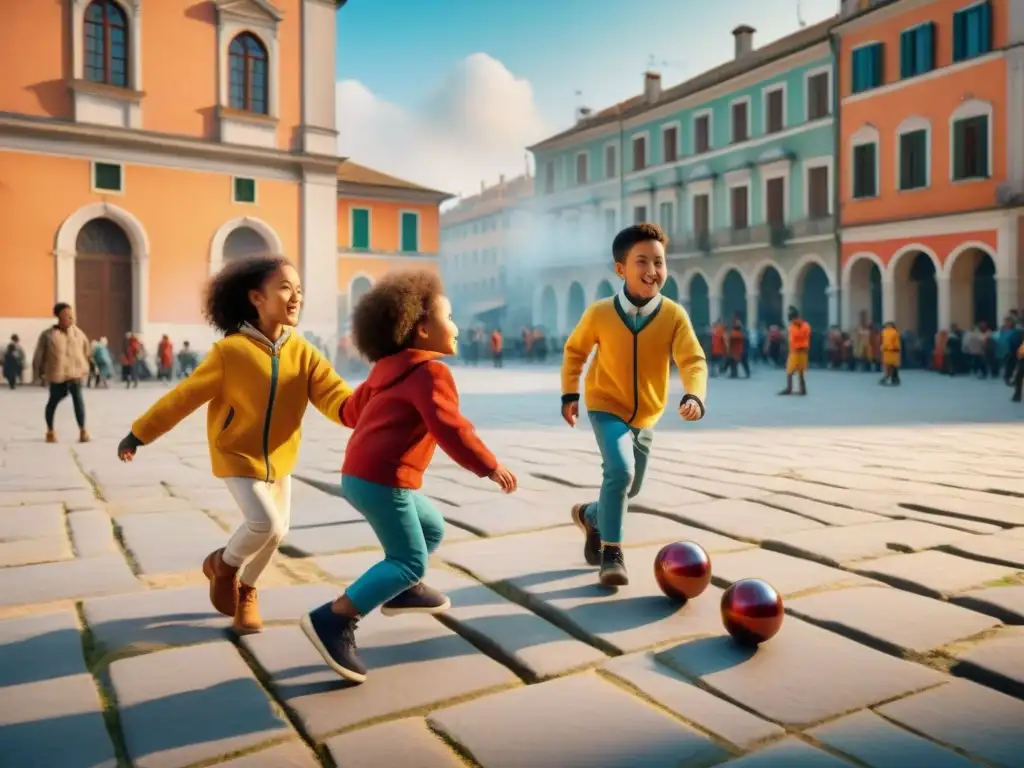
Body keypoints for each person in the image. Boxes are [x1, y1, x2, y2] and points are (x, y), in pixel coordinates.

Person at [115, 256, 355, 635]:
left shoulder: (304, 352)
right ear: (256, 298)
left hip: (281, 458)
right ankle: (224, 565)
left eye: (299, 290)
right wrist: (140, 433)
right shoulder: (230, 353)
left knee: (278, 533)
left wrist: (365, 410)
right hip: (236, 454)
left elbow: (334, 394)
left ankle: (248, 590)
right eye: (285, 288)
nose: (296, 297)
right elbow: (184, 397)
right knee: (265, 523)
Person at [301, 270, 517, 683]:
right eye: (449, 316)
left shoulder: (385, 368)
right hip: (384, 479)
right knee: (407, 558)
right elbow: (450, 427)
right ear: (421, 331)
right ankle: (334, 618)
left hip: (360, 476)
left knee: (431, 528)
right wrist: (489, 465)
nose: (455, 325)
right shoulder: (430, 372)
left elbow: (350, 412)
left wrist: (316, 384)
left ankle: (403, 590)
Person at [559, 224, 707, 587]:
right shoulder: (599, 313)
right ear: (620, 269)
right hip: (605, 404)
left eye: (659, 261)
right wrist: (570, 393)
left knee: (631, 486)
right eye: (642, 261)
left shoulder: (673, 316)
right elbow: (576, 352)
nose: (652, 270)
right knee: (621, 472)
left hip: (646, 415)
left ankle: (592, 516)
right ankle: (612, 555)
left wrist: (694, 395)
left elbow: (692, 360)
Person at [32, 303, 91, 442]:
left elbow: (87, 350)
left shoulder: (78, 333)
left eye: (72, 315)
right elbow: (38, 355)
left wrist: (87, 366)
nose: (71, 318)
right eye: (67, 315)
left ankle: (83, 430)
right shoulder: (48, 335)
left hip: (75, 373)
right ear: (58, 316)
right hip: (57, 375)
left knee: (78, 401)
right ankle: (50, 431)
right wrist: (38, 375)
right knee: (53, 402)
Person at [779, 306, 810, 396]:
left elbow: (794, 337)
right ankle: (802, 389)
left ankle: (789, 388)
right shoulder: (805, 325)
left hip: (796, 350)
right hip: (803, 350)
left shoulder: (794, 326)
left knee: (790, 370)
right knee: (800, 371)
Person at [880, 321, 901, 386]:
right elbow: (896, 342)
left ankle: (889, 378)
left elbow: (882, 342)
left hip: (888, 351)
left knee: (889, 366)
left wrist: (882, 347)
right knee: (892, 366)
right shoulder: (894, 332)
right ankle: (893, 378)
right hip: (891, 351)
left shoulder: (884, 332)